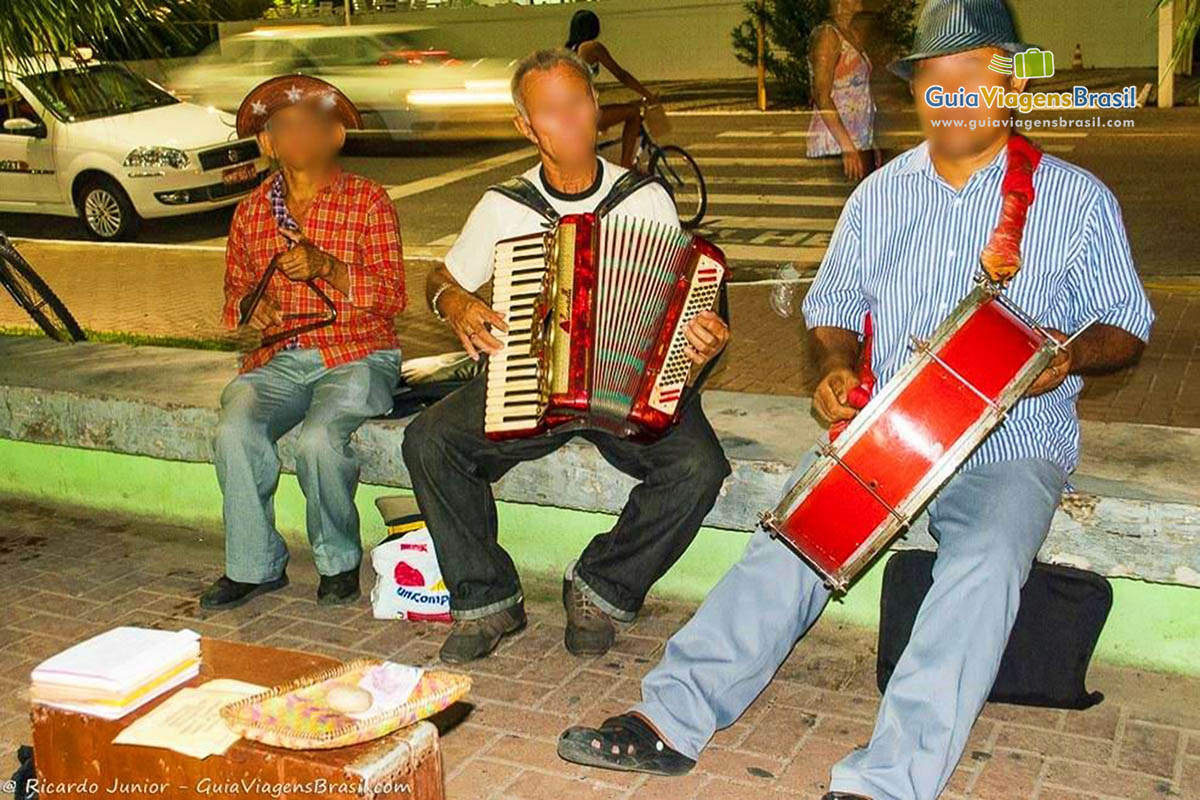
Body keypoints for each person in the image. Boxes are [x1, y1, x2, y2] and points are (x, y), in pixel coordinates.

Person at [559, 2, 1156, 798]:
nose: (954, 96)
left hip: (1014, 442)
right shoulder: (879, 197)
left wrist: (1067, 355)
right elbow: (833, 308)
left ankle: (889, 781)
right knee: (793, 539)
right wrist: (836, 370)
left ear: (1010, 83)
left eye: (974, 74)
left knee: (981, 565)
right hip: (891, 431)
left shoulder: (1074, 199)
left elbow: (1131, 327)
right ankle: (671, 718)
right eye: (936, 80)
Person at [402, 49, 731, 665]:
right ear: (527, 127)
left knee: (699, 468)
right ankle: (488, 598)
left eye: (579, 102)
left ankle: (601, 588)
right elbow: (441, 277)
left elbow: (688, 300)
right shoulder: (506, 206)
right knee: (429, 441)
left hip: (628, 392)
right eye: (551, 111)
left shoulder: (644, 199)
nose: (572, 121)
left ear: (597, 105)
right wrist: (454, 304)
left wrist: (702, 340)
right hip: (526, 383)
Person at [200, 75, 406, 611]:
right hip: (281, 359)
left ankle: (338, 562)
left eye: (309, 124)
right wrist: (253, 307)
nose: (296, 137)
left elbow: (391, 298)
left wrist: (328, 267)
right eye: (282, 127)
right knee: (235, 427)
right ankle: (254, 565)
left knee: (318, 439)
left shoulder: (368, 201)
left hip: (359, 352)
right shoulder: (250, 213)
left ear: (335, 135)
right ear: (266, 143)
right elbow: (234, 298)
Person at [566, 9, 660, 169]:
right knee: (633, 113)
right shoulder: (592, 47)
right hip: (585, 113)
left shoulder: (570, 50)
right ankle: (627, 165)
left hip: (572, 112)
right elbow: (621, 75)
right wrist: (647, 94)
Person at [806, 0, 881, 182]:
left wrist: (871, 142)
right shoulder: (828, 36)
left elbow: (860, 93)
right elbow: (822, 95)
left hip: (858, 141)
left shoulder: (850, 33)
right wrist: (847, 147)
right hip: (838, 145)